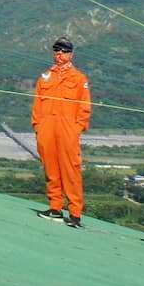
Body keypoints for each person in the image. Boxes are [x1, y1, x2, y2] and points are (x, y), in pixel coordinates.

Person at [31, 36, 92, 227]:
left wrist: (76, 128)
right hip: (47, 128)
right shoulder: (44, 77)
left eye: (64, 51)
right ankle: (55, 208)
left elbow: (85, 106)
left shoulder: (79, 78)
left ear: (71, 54)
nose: (60, 54)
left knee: (70, 169)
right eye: (57, 50)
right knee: (51, 169)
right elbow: (37, 103)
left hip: (67, 129)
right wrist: (38, 126)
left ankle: (75, 214)